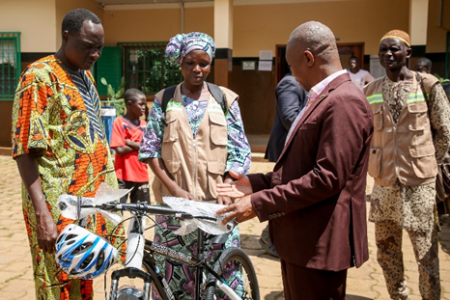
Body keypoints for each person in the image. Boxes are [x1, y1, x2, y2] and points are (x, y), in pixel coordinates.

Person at [216, 21, 372, 300]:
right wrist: (254, 183)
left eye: (291, 65)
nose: (291, 74)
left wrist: (257, 204)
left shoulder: (344, 101)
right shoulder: (322, 97)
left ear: (309, 58)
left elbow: (327, 178)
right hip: (303, 241)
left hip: (320, 244)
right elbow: (299, 168)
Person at [11, 8, 125, 300]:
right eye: (89, 46)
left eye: (99, 47)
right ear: (66, 36)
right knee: (58, 280)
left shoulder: (84, 77)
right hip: (56, 204)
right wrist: (43, 214)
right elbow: (24, 149)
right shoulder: (39, 77)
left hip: (87, 201)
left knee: (84, 272)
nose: (96, 53)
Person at [138, 32, 251, 299]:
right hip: (174, 210)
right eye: (190, 62)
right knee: (174, 276)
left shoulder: (225, 100)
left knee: (222, 274)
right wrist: (174, 189)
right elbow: (150, 150)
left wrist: (227, 184)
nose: (197, 69)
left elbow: (240, 150)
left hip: (218, 207)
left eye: (204, 62)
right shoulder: (165, 100)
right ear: (180, 63)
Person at [364, 29, 450, 300]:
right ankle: (398, 296)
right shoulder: (371, 90)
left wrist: (429, 166)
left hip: (419, 186)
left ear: (408, 53)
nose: (388, 54)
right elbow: (363, 134)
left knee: (425, 254)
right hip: (384, 184)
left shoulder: (427, 85)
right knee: (386, 252)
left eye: (395, 49)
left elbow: (444, 131)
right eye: (384, 50)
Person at [262, 70, 307, 257]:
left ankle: (270, 235)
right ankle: (268, 237)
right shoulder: (290, 84)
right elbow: (290, 118)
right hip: (288, 150)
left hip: (299, 151)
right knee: (285, 194)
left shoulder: (304, 85)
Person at [110, 88, 150, 204]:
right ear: (129, 104)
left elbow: (147, 149)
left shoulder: (145, 126)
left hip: (141, 176)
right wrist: (140, 145)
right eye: (140, 104)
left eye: (145, 104)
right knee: (117, 212)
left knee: (140, 216)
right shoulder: (119, 122)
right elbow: (120, 150)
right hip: (122, 176)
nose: (144, 107)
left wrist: (129, 142)